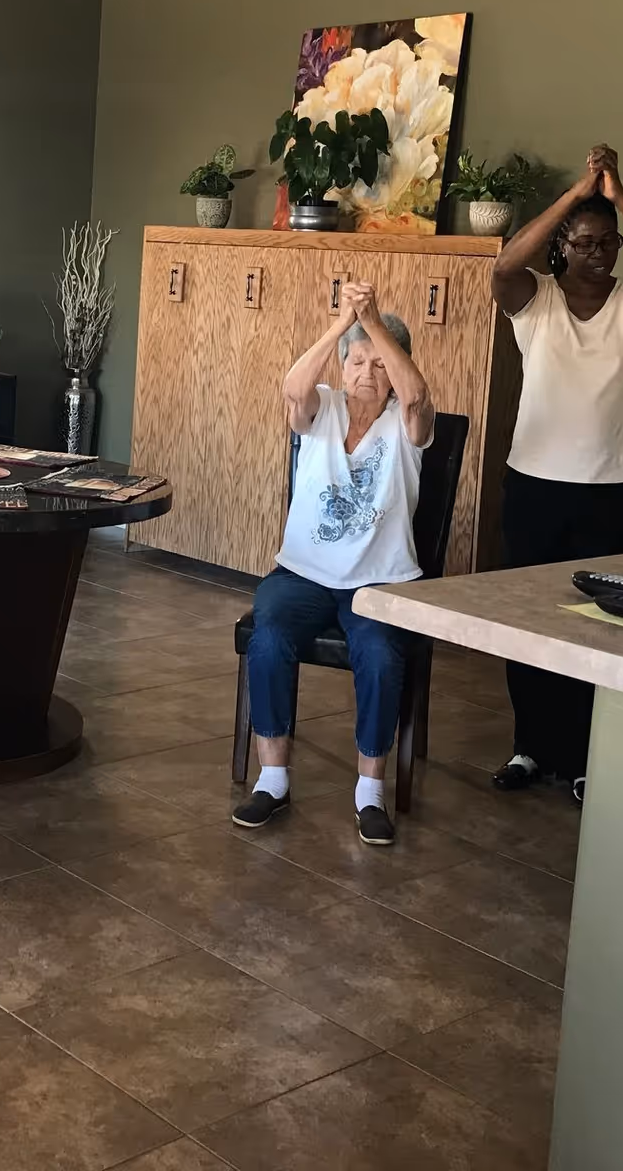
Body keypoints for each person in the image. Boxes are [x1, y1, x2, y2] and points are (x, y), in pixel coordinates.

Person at [490, 144, 623, 803]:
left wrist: (616, 193)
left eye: (608, 243)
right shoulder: (534, 301)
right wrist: (575, 195)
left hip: (610, 490)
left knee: (595, 622)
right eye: (584, 243)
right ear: (563, 246)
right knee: (530, 617)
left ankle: (582, 757)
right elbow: (504, 263)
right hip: (533, 484)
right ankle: (530, 746)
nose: (600, 253)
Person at [230, 281, 434, 848]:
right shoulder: (322, 406)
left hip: (380, 581)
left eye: (379, 360)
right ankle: (273, 779)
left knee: (380, 654)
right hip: (302, 573)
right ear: (343, 366)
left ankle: (370, 791)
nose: (367, 370)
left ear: (397, 367)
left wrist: (373, 326)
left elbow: (415, 397)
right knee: (269, 638)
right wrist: (344, 324)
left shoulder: (408, 423)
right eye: (357, 359)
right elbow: (291, 386)